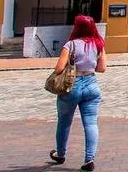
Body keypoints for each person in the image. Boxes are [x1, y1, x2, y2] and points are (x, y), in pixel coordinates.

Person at [49, 15, 106, 171]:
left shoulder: (71, 45)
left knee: (64, 121)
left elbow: (59, 68)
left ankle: (60, 154)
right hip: (92, 85)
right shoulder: (98, 44)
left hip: (71, 86)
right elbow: (101, 68)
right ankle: (89, 159)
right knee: (91, 123)